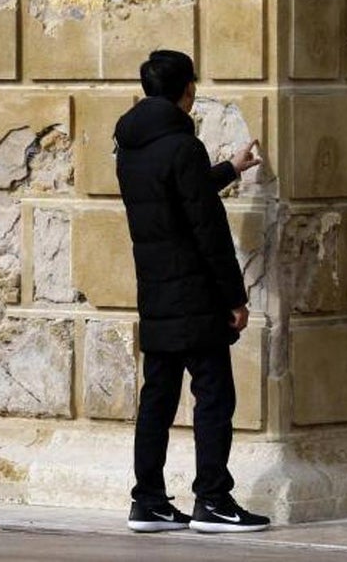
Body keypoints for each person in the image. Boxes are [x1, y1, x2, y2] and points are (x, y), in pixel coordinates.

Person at [113, 49, 269, 534]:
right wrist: (235, 298)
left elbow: (180, 194)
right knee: (214, 397)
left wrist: (230, 168)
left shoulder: (131, 146)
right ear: (188, 91)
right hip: (196, 296)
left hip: (155, 294)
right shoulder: (183, 145)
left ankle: (149, 502)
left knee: (157, 398)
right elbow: (206, 226)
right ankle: (214, 500)